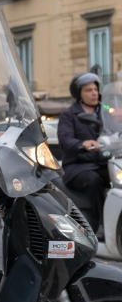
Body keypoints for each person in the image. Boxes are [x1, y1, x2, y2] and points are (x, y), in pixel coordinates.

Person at [58, 72, 109, 236]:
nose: (94, 93)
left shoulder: (105, 109)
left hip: (102, 162)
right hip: (77, 166)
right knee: (94, 181)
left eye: (95, 89)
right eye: (88, 90)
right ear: (79, 93)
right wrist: (82, 144)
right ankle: (100, 224)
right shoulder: (69, 114)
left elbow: (117, 122)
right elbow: (65, 139)